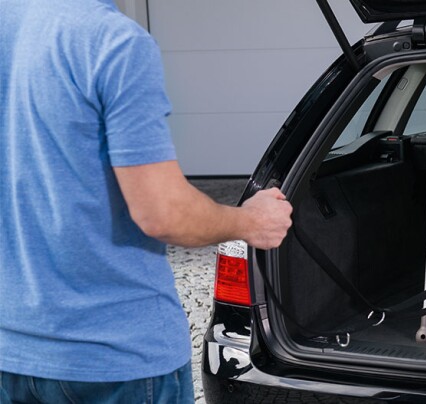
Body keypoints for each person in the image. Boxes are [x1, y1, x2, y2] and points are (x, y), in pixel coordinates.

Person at [0, 0, 293, 402]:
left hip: (12, 351)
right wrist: (250, 221)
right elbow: (164, 213)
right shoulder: (112, 41)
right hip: (115, 359)